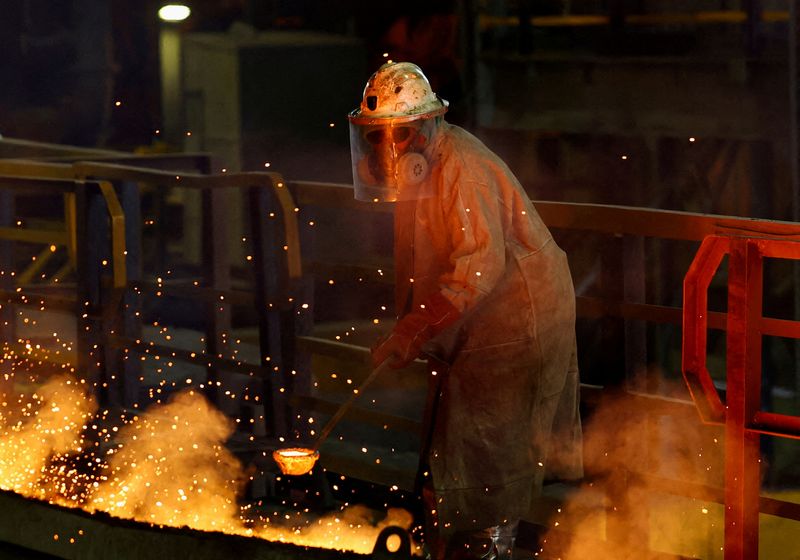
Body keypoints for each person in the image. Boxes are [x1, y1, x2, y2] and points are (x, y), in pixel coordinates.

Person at [348, 62, 582, 559]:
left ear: (433, 123)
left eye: (402, 132)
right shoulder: (425, 169)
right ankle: (456, 542)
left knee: (489, 448)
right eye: (377, 137)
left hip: (517, 316)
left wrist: (417, 327)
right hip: (480, 316)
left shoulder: (464, 169)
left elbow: (478, 267)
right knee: (460, 439)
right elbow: (430, 264)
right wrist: (416, 327)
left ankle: (485, 548)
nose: (389, 148)